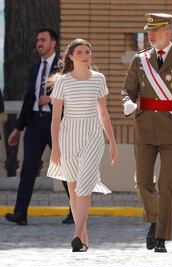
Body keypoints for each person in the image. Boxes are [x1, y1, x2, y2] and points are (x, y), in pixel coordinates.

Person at [121, 13, 172, 253]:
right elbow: (128, 90)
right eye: (148, 31)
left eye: (156, 30)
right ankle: (155, 219)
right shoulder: (140, 60)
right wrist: (128, 102)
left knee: (167, 183)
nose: (151, 35)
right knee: (143, 181)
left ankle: (161, 236)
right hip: (144, 128)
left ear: (169, 32)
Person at [47, 38, 117, 252]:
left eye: (88, 51)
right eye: (80, 52)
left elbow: (103, 113)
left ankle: (76, 234)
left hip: (93, 135)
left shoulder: (99, 79)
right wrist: (56, 148)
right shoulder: (63, 82)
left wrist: (112, 143)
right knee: (73, 188)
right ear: (71, 56)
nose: (86, 55)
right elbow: (55, 118)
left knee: (84, 185)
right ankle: (83, 236)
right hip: (68, 136)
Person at [5, 28, 73, 226]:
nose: (39, 43)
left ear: (53, 43)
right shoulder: (34, 68)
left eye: (42, 40)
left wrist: (51, 99)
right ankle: (20, 213)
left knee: (64, 168)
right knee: (28, 169)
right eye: (37, 40)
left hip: (56, 124)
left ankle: (75, 212)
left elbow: (71, 96)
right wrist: (18, 128)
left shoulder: (64, 68)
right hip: (34, 123)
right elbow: (29, 98)